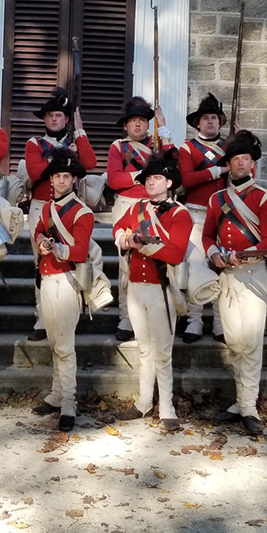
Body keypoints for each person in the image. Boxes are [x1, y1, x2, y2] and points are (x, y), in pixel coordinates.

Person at [202, 131, 267, 435]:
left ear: (252, 163)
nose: (241, 163)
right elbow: (208, 235)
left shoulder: (265, 199)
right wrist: (213, 254)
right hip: (227, 276)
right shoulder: (217, 199)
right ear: (229, 164)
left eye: (245, 158)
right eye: (236, 159)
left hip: (253, 274)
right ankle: (240, 401)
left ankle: (249, 406)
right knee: (234, 341)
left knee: (251, 341)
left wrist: (244, 256)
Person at [113, 150, 191, 432]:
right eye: (148, 178)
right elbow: (119, 228)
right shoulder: (136, 208)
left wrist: (142, 245)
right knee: (144, 348)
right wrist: (124, 239)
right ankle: (144, 402)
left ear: (169, 183)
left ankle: (167, 406)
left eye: (157, 178)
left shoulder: (180, 214)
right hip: (136, 286)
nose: (150, 182)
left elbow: (175, 252)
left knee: (163, 351)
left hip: (162, 287)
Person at [24, 87, 97, 342]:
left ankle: (69, 313)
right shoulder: (35, 143)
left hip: (70, 209)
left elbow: (89, 163)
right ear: (45, 120)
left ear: (66, 119)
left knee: (72, 259)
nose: (54, 119)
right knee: (41, 262)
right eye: (50, 116)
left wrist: (80, 133)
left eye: (59, 115)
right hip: (42, 207)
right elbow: (34, 172)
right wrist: (65, 158)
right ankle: (42, 318)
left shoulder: (74, 140)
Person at [30, 149, 93, 431]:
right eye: (57, 176)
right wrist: (41, 242)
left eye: (66, 176)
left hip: (67, 281)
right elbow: (38, 231)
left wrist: (56, 248)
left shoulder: (83, 212)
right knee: (54, 343)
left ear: (74, 179)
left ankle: (69, 401)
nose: (61, 181)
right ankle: (57, 394)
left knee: (65, 346)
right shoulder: (46, 208)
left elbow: (80, 251)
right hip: (47, 280)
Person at [106, 98, 173, 342]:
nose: (138, 124)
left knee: (158, 256)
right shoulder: (118, 147)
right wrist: (143, 175)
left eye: (143, 120)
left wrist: (163, 129)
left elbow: (172, 163)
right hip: (127, 205)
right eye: (133, 120)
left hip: (156, 205)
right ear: (125, 125)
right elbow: (115, 180)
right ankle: (126, 317)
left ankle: (157, 313)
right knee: (126, 263)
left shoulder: (156, 145)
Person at [179, 93, 229, 344]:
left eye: (214, 118)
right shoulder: (187, 148)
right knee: (196, 267)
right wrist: (219, 169)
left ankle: (220, 322)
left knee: (222, 266)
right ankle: (194, 321)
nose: (210, 122)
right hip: (196, 214)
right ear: (197, 123)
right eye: (205, 118)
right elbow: (187, 179)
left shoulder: (230, 147)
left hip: (224, 216)